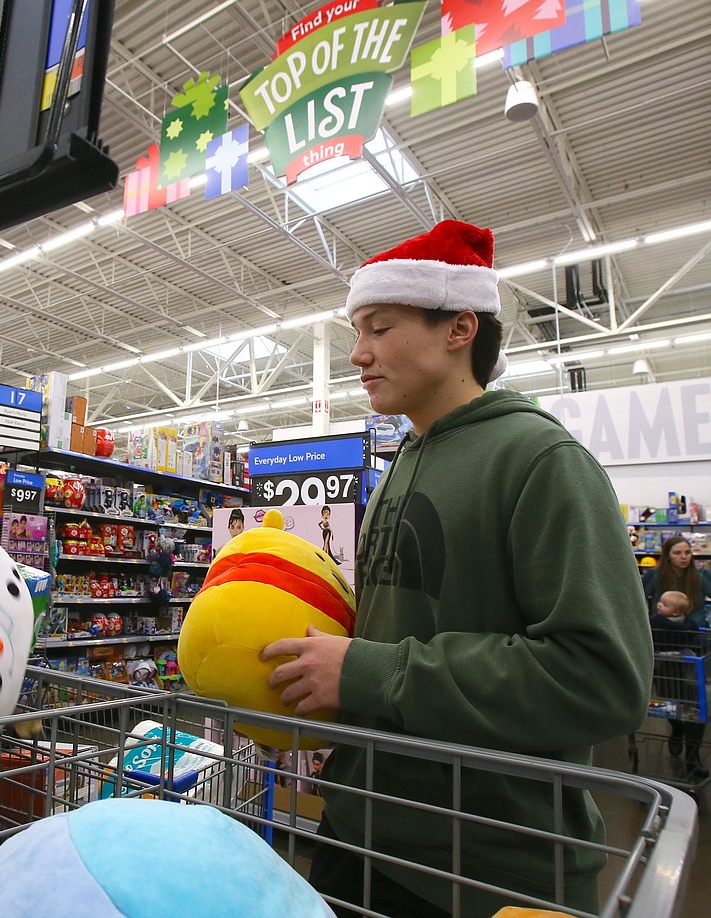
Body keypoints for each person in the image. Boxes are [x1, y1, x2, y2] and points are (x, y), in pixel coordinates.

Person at [260, 220, 652, 917]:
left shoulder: (541, 462)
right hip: (359, 832)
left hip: (486, 872)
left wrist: (370, 673)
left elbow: (603, 678)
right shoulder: (396, 468)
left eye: (379, 328)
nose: (357, 353)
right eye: (357, 332)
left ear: (459, 328)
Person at [649, 588, 708, 777]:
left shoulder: (689, 624)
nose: (659, 605)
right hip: (666, 669)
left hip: (687, 670)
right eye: (660, 601)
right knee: (673, 706)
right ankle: (677, 730)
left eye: (664, 604)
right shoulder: (654, 623)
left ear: (676, 612)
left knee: (696, 710)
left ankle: (693, 755)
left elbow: (696, 639)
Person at [641, 534, 711, 628]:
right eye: (677, 553)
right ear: (668, 556)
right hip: (662, 631)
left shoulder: (702, 575)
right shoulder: (654, 575)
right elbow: (637, 598)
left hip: (695, 632)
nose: (683, 557)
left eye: (687, 552)